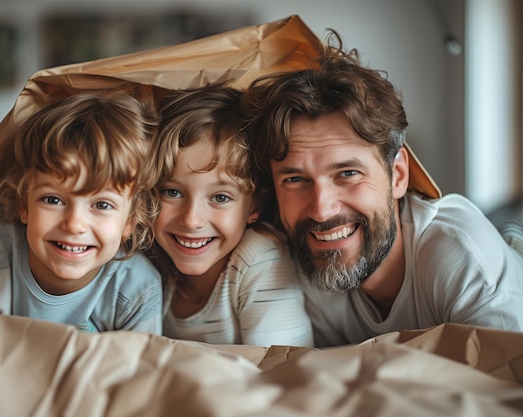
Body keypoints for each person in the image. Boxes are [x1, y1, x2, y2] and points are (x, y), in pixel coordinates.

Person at [243, 32, 523, 348]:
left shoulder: (464, 261)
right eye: (294, 180)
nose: (321, 209)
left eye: (347, 173)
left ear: (398, 175)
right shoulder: (286, 259)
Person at [0, 93, 163, 334]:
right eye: (53, 199)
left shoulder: (137, 290)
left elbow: (139, 381)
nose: (74, 224)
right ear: (24, 203)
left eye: (102, 205)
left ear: (131, 219)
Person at [147, 87, 314, 347]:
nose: (192, 220)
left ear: (254, 205)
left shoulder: (258, 258)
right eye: (172, 192)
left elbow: (283, 370)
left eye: (220, 198)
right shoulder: (151, 264)